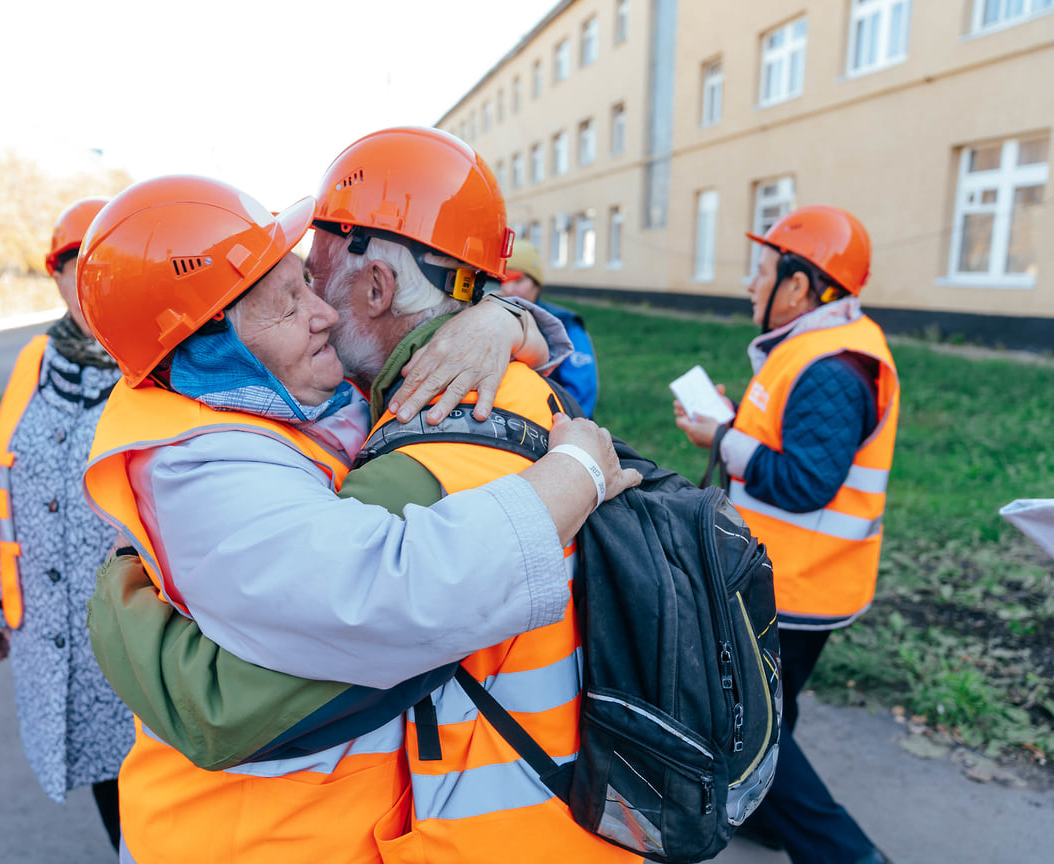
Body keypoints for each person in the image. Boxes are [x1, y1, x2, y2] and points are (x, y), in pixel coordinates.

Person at [83, 128, 645, 863]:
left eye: (310, 280)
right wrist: (509, 331)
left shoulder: (426, 415)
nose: (319, 309)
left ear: (376, 287)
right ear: (215, 344)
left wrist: (121, 609)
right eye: (289, 302)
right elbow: (365, 597)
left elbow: (225, 704)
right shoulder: (221, 452)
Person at [674, 205, 898, 864]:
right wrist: (734, 419)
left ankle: (846, 854)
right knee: (771, 710)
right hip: (797, 576)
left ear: (799, 287)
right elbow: (792, 439)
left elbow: (803, 482)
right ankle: (770, 817)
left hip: (798, 584)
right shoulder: (814, 349)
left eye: (763, 270)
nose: (751, 284)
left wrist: (720, 437)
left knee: (749, 720)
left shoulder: (832, 367)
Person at [0, 197, 132, 851]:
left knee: (164, 786)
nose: (89, 280)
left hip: (143, 630)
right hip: (52, 628)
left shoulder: (168, 362)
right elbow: (2, 479)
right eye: (74, 266)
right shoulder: (34, 363)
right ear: (55, 275)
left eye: (106, 265)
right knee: (106, 782)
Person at [498, 237, 599, 416]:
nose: (508, 289)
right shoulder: (494, 320)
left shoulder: (565, 325)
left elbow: (582, 392)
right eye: (503, 280)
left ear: (536, 284)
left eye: (518, 280)